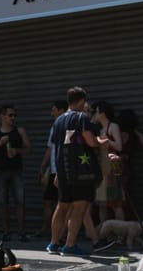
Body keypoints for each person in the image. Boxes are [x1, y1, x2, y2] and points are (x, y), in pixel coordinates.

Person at [47, 87, 108, 257]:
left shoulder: (58, 121)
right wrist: (100, 141)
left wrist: (58, 172)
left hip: (63, 170)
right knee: (79, 207)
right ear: (81, 101)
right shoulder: (82, 117)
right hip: (81, 171)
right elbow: (90, 140)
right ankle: (70, 245)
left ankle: (53, 243)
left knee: (62, 206)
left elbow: (57, 146)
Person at [0, 104, 31, 241]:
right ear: (2, 116)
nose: (13, 118)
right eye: (10, 115)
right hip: (0, 172)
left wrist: (17, 151)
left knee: (20, 201)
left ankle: (21, 232)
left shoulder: (20, 131)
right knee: (2, 203)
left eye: (14, 115)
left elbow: (29, 149)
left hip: (16, 171)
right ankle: (6, 232)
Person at [36, 100, 66, 238]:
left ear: (61, 110)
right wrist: (43, 165)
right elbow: (50, 148)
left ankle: (62, 234)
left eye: (54, 109)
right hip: (54, 170)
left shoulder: (66, 125)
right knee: (48, 200)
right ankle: (46, 229)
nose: (51, 112)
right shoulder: (55, 126)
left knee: (64, 203)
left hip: (63, 170)